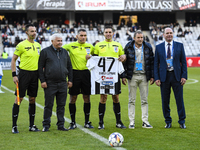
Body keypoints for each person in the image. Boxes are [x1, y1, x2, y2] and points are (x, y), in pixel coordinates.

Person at [93, 26, 126, 129]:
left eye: (110, 32)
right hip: (102, 76)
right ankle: (101, 122)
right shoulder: (98, 45)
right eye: (106, 32)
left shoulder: (118, 45)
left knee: (116, 97)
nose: (108, 34)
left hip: (114, 76)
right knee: (103, 98)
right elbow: (94, 59)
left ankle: (118, 122)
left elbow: (122, 58)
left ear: (113, 33)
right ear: (103, 34)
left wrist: (124, 57)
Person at [38, 34, 73, 132]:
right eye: (58, 41)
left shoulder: (65, 52)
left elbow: (69, 67)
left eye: (61, 40)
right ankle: (46, 125)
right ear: (52, 41)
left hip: (63, 83)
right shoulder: (45, 52)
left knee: (61, 105)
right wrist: (43, 81)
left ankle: (61, 125)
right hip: (50, 83)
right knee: (48, 105)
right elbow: (40, 67)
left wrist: (70, 80)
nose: (60, 42)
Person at [154, 28, 187, 129]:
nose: (169, 35)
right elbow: (156, 64)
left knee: (179, 100)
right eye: (167, 33)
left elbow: (184, 62)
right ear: (163, 35)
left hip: (176, 76)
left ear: (173, 34)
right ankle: (168, 121)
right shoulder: (158, 47)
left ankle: (182, 121)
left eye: (170, 33)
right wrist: (156, 78)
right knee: (165, 100)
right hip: (164, 76)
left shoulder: (179, 46)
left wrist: (184, 76)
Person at [11, 24, 41, 133]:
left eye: (35, 31)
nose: (34, 33)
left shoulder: (38, 45)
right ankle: (14, 126)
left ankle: (32, 125)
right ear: (27, 33)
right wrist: (14, 75)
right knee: (19, 99)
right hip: (24, 74)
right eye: (32, 31)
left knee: (32, 99)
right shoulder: (21, 45)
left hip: (35, 75)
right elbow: (13, 60)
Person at [121, 30, 154, 129]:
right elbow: (123, 63)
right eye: (138, 37)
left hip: (144, 76)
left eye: (142, 37)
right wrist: (123, 76)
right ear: (134, 38)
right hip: (133, 76)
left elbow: (152, 62)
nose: (140, 39)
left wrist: (152, 76)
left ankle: (145, 121)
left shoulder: (148, 46)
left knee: (144, 100)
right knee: (132, 100)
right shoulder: (128, 46)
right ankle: (132, 122)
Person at [62, 29, 94, 130]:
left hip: (86, 73)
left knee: (86, 98)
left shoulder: (90, 47)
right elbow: (59, 49)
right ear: (77, 36)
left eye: (85, 35)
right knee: (73, 98)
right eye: (81, 35)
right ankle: (72, 122)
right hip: (74, 73)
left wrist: (91, 57)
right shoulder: (70, 46)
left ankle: (87, 121)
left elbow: (98, 56)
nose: (83, 37)